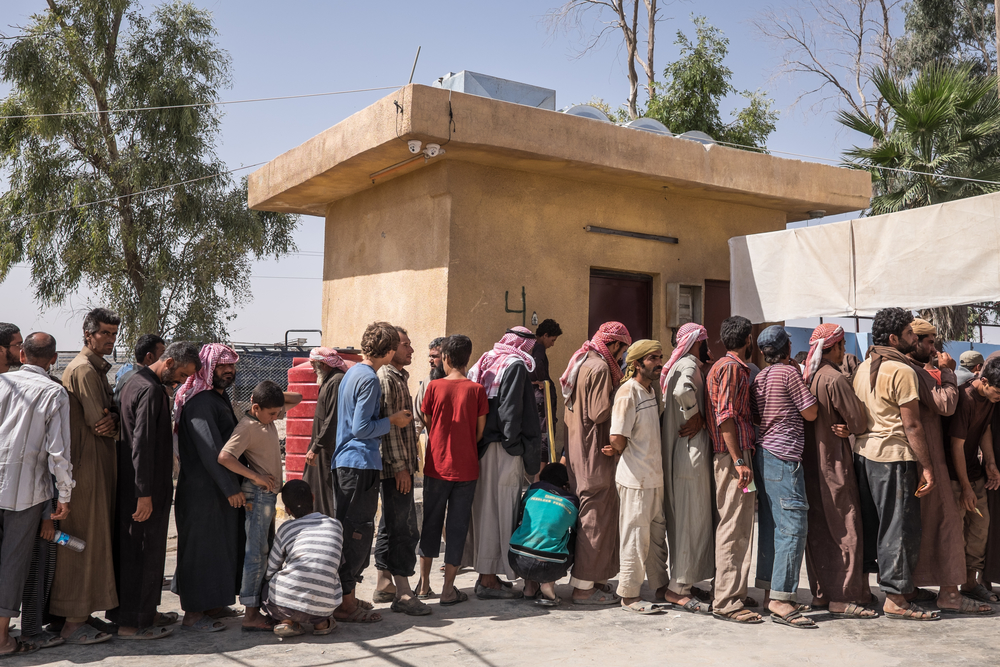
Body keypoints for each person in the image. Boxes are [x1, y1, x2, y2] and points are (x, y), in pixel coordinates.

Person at [852, 308, 938, 621]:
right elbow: (912, 425)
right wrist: (927, 467)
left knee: (874, 527)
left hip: (864, 456)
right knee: (899, 529)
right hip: (893, 457)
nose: (915, 339)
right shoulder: (902, 371)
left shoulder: (864, 367)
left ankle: (890, 590)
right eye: (910, 334)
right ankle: (897, 599)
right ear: (894, 338)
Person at [109, 340, 199, 639]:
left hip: (135, 485)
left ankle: (140, 614)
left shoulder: (133, 382)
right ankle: (133, 625)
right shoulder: (149, 389)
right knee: (143, 553)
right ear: (170, 363)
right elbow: (142, 443)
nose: (182, 382)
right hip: (143, 489)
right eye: (183, 375)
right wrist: (144, 493)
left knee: (137, 551)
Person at [332, 322, 412, 624]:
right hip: (359, 464)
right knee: (357, 533)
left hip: (349, 463)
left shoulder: (353, 372)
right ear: (390, 351)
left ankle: (347, 597)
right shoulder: (369, 379)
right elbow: (361, 428)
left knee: (352, 531)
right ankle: (346, 606)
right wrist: (391, 421)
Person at [51, 308, 121, 644]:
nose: (109, 339)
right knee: (82, 540)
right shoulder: (83, 369)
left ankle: (84, 615)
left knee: (94, 540)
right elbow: (101, 423)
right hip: (86, 468)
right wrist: (115, 422)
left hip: (95, 465)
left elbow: (110, 420)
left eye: (113, 333)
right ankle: (73, 621)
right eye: (104, 333)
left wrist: (114, 420)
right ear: (87, 333)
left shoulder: (94, 369)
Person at [0, 332, 73, 656]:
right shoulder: (54, 393)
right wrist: (65, 495)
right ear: (54, 359)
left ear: (24, 355)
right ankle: (2, 639)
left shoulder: (3, 383)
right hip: (24, 493)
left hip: (13, 485)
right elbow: (58, 452)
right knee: (13, 565)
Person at [903, 319, 981, 613]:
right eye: (929, 341)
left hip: (918, 459)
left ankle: (910, 587)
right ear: (913, 341)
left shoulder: (911, 370)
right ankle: (949, 593)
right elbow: (947, 404)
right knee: (947, 522)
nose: (933, 347)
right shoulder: (914, 372)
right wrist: (947, 372)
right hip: (928, 460)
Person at [800, 324, 873, 617]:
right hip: (835, 465)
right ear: (838, 347)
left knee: (818, 530)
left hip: (809, 467)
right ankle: (846, 595)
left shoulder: (808, 378)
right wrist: (851, 428)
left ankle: (820, 593)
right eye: (842, 345)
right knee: (847, 528)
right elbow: (858, 421)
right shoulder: (834, 379)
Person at [466, 326, 543, 599]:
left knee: (486, 508)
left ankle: (488, 575)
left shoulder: (486, 360)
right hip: (503, 450)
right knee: (499, 511)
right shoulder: (515, 365)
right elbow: (511, 412)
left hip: (482, 448)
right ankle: (488, 579)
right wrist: (516, 447)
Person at [750, 326, 819, 629]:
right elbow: (811, 412)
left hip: (764, 454)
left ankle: (770, 592)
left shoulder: (761, 377)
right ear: (787, 349)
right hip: (784, 455)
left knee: (772, 526)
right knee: (793, 527)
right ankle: (781, 599)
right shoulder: (789, 375)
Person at [172, 343, 243, 632]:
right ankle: (193, 615)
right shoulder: (201, 403)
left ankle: (213, 603)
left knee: (218, 548)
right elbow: (211, 450)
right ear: (207, 369)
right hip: (203, 492)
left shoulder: (219, 399)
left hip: (216, 492)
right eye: (222, 365)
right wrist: (230, 488)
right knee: (200, 550)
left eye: (232, 365)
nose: (228, 370)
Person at [559, 322, 632, 605]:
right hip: (595, 455)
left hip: (580, 453)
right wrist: (626, 396)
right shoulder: (601, 368)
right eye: (623, 348)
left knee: (594, 517)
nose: (623, 355)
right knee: (595, 520)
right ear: (613, 345)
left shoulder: (583, 362)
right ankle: (583, 589)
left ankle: (596, 579)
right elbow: (600, 412)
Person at [417, 335, 488, 605]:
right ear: (467, 359)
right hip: (466, 468)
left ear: (445, 358)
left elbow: (427, 421)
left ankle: (423, 585)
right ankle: (448, 589)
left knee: (430, 524)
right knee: (457, 527)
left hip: (436, 466)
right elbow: (479, 432)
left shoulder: (433, 387)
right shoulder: (477, 390)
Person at [604, 340, 668, 613]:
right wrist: (616, 448)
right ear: (637, 363)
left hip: (653, 477)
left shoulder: (651, 391)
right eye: (653, 358)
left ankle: (660, 586)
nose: (659, 362)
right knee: (634, 537)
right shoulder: (627, 392)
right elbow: (617, 437)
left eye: (660, 357)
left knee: (656, 538)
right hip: (635, 479)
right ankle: (629, 596)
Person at [217, 380, 285, 631]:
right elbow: (224, 457)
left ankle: (257, 608)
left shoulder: (265, 417)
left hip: (267, 496)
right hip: (257, 494)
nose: (276, 417)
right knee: (256, 554)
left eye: (278, 413)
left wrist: (271, 392)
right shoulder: (248, 426)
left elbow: (296, 398)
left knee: (264, 552)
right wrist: (256, 476)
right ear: (255, 407)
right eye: (272, 413)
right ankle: (250, 615)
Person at [706, 316, 762, 624]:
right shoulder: (729, 369)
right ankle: (727, 602)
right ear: (748, 340)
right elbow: (725, 416)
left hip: (737, 457)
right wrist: (739, 461)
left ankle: (730, 591)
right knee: (734, 527)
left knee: (739, 526)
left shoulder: (727, 367)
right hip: (733, 460)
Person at [372, 327, 429, 615]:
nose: (411, 350)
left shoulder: (397, 377)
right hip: (396, 468)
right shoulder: (386, 379)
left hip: (399, 466)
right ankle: (404, 592)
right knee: (404, 528)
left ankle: (385, 584)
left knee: (390, 524)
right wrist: (401, 468)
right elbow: (390, 428)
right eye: (406, 345)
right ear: (392, 349)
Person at [658, 323, 714, 612]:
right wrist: (696, 416)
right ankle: (677, 589)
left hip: (683, 454)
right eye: (704, 341)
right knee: (689, 521)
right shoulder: (690, 363)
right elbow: (683, 391)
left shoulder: (681, 363)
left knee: (689, 520)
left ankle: (686, 583)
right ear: (697, 341)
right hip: (689, 454)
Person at [948, 356, 1000, 609]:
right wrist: (965, 487)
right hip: (956, 477)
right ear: (984, 380)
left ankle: (970, 582)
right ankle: (950, 591)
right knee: (956, 533)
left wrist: (989, 463)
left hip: (976, 474)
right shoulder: (965, 398)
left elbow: (985, 430)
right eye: (998, 391)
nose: (999, 396)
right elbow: (956, 446)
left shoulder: (990, 399)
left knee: (980, 529)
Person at [262, 480, 342, 638]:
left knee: (268, 585)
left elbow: (271, 569)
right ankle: (321, 624)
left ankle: (286, 621)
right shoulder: (335, 524)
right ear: (313, 498)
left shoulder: (286, 528)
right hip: (325, 606)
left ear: (287, 509)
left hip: (284, 604)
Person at [509, 462, 579, 606]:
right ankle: (548, 584)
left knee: (529, 529)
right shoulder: (572, 501)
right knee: (573, 537)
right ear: (566, 484)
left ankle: (529, 587)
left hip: (517, 559)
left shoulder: (533, 490)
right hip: (551, 566)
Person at [303, 347, 348, 516]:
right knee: (316, 490)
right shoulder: (329, 380)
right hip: (322, 447)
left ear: (323, 364)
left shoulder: (336, 381)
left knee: (326, 492)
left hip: (327, 449)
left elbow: (332, 419)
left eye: (314, 365)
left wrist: (316, 447)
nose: (313, 369)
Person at [530, 319, 562, 465]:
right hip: (543, 399)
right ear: (545, 335)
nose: (553, 344)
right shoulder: (539, 349)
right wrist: (542, 381)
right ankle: (540, 477)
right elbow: (536, 368)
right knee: (545, 436)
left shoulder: (533, 347)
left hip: (540, 398)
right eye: (552, 340)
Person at [113, 334, 166, 409]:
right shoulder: (147, 384)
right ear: (149, 357)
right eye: (163, 354)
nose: (166, 359)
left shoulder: (125, 376)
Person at [414, 337, 446, 435]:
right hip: (434, 445)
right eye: (430, 356)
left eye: (435, 356)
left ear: (446, 357)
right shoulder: (427, 382)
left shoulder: (465, 380)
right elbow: (417, 418)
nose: (430, 360)